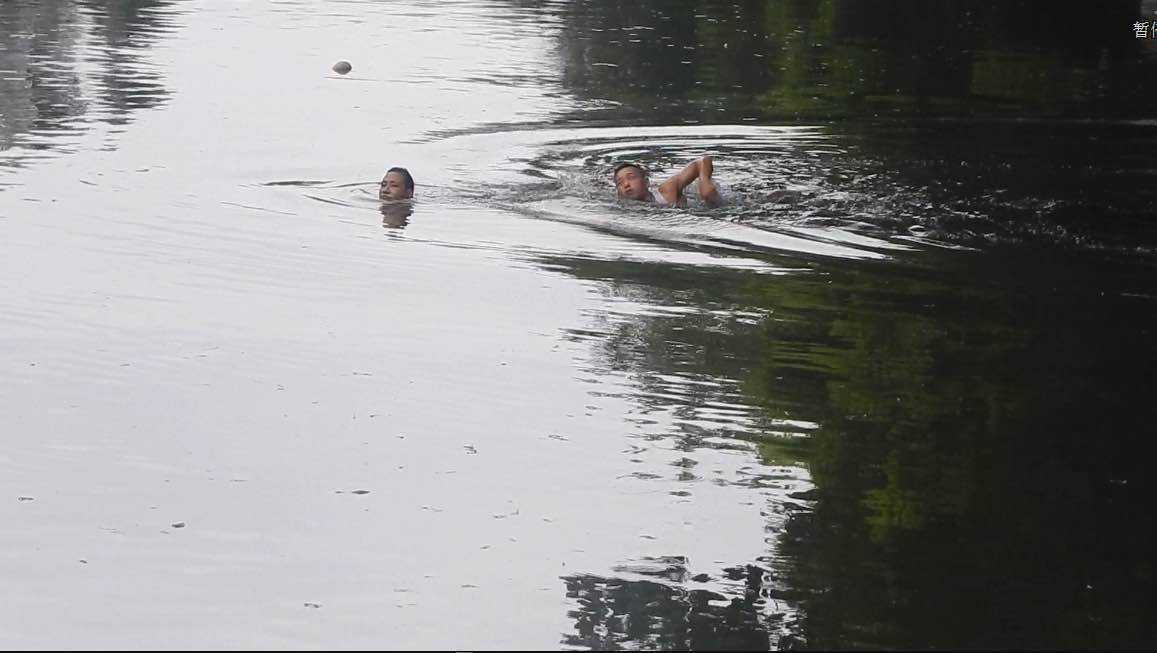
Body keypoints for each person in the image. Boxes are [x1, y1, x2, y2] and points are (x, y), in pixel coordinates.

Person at [612, 156, 722, 208]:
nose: (626, 184)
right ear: (618, 193)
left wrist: (704, 181)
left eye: (631, 177)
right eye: (620, 183)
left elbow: (702, 161)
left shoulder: (667, 192)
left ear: (646, 182)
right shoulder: (622, 209)